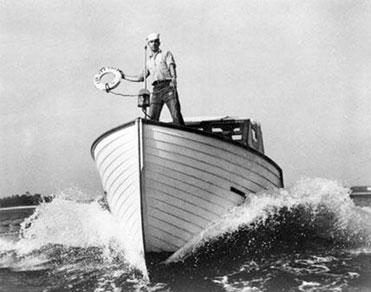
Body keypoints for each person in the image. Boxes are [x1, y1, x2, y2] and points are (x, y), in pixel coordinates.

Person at [120, 33, 185, 125]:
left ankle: (181, 133)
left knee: (176, 114)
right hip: (156, 90)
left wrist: (174, 79)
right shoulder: (148, 62)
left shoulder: (166, 54)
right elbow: (140, 77)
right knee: (152, 118)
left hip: (168, 86)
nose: (154, 44)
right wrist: (124, 76)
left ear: (159, 43)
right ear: (148, 44)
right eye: (151, 42)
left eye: (156, 41)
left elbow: (171, 66)